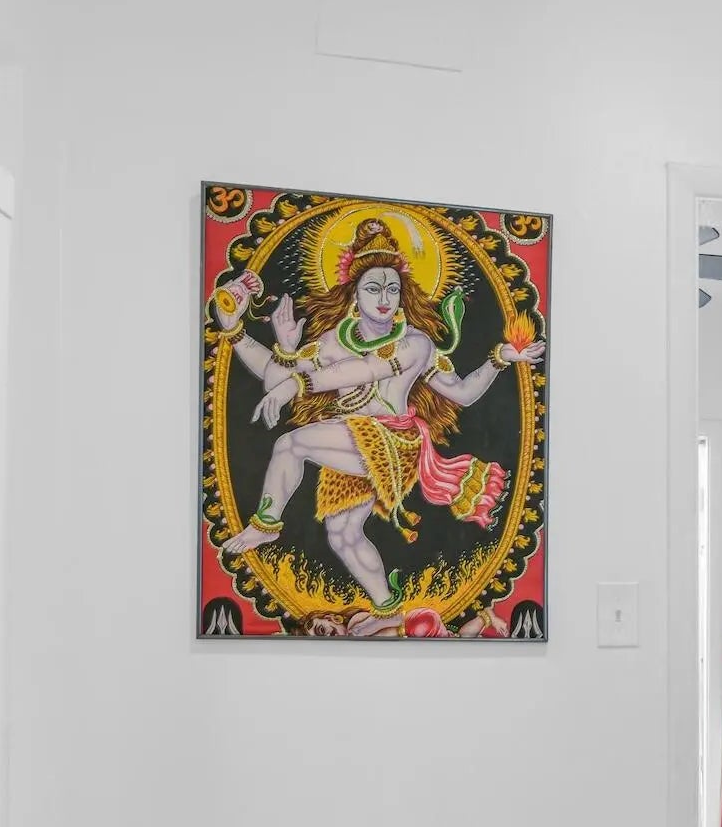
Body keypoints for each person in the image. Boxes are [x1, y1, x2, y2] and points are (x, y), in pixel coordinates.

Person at [208, 217, 544, 621]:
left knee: (290, 444)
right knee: (343, 535)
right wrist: (244, 334)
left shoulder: (415, 343)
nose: (385, 298)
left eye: (393, 289)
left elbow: (449, 389)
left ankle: (265, 524)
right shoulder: (334, 341)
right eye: (373, 288)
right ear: (354, 294)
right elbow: (273, 378)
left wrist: (498, 359)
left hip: (392, 443)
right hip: (349, 439)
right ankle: (389, 611)